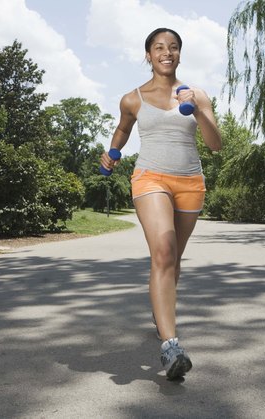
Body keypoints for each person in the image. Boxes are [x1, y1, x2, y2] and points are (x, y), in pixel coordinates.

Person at [100, 28, 222, 380]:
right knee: (164, 253)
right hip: (150, 178)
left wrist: (199, 110)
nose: (166, 52)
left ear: (180, 54)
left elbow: (215, 145)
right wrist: (113, 153)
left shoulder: (196, 94)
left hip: (190, 183)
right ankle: (171, 346)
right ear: (148, 55)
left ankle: (161, 312)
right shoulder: (133, 98)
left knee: (173, 261)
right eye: (159, 47)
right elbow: (123, 129)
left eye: (173, 47)